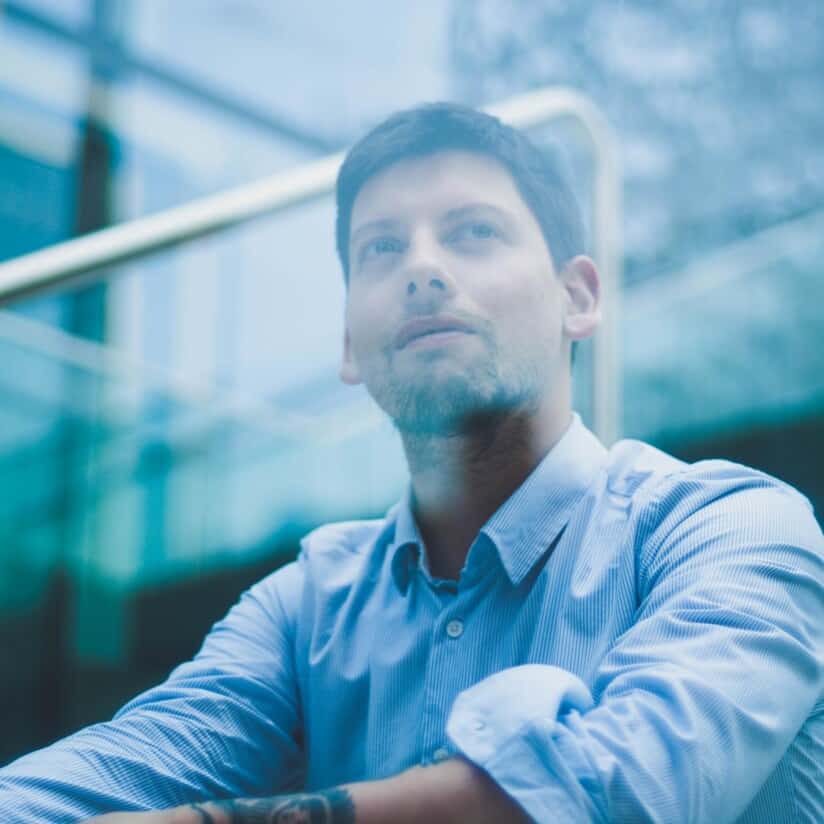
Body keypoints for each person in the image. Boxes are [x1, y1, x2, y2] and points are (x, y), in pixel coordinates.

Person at [1, 102, 822, 824]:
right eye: (381, 248)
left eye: (474, 232)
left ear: (578, 297)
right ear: (350, 344)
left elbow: (617, 790)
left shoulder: (729, 529)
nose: (423, 270)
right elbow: (119, 769)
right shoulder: (306, 607)